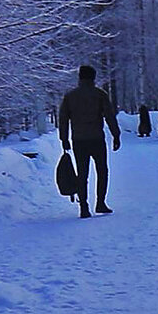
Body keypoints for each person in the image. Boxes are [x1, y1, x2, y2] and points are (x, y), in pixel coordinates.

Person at [59, 65, 121, 218]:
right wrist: (116, 135)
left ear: (79, 77)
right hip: (97, 139)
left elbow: (63, 120)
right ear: (93, 77)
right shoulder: (100, 94)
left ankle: (84, 207)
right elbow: (109, 116)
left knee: (82, 173)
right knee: (102, 171)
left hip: (79, 140)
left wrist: (64, 139)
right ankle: (100, 203)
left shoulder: (70, 96)